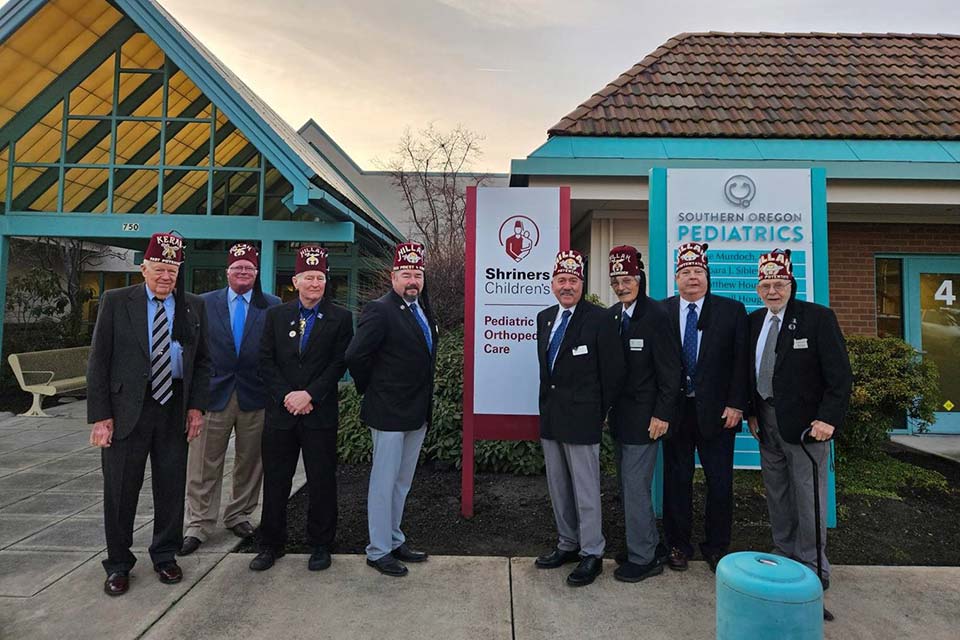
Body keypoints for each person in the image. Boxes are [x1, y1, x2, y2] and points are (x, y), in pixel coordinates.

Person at [87, 232, 211, 596]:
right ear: (143, 268)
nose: (165, 276)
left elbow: (202, 361)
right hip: (127, 409)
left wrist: (196, 407)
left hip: (173, 407)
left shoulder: (193, 306)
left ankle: (165, 555)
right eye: (159, 268)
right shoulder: (115, 301)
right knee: (121, 489)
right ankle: (119, 564)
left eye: (172, 269)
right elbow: (99, 361)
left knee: (171, 487)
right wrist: (101, 416)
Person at [746, 249, 852, 594]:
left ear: (791, 284)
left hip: (808, 426)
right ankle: (784, 552)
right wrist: (750, 412)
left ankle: (813, 564)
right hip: (766, 421)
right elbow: (748, 372)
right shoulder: (754, 322)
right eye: (766, 285)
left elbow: (840, 377)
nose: (772, 291)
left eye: (779, 284)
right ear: (758, 289)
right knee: (776, 491)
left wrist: (827, 420)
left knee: (808, 495)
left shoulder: (818, 318)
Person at [248, 246, 353, 572]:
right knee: (277, 480)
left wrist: (309, 395)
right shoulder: (276, 315)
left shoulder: (340, 317)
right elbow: (265, 361)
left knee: (322, 480)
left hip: (319, 412)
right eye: (308, 277)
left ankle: (321, 543)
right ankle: (271, 543)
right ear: (295, 280)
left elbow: (339, 363)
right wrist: (288, 397)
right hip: (281, 414)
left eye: (320, 277)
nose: (314, 284)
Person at [180, 243, 280, 556]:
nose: (243, 273)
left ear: (256, 272)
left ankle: (239, 514)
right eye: (237, 268)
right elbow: (191, 350)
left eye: (249, 269)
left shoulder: (272, 305)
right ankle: (198, 523)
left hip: (256, 394)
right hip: (212, 394)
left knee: (251, 462)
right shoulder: (204, 303)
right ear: (227, 272)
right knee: (202, 462)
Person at [346, 241, 437, 578]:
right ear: (393, 276)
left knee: (401, 482)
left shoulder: (420, 308)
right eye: (406, 274)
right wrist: (373, 388)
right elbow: (356, 355)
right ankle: (378, 549)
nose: (412, 280)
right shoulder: (380, 309)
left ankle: (395, 538)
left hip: (415, 411)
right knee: (384, 482)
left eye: (417, 274)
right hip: (388, 412)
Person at [533, 249, 625, 587]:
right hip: (552, 418)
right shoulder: (545, 318)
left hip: (584, 418)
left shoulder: (599, 319)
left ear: (581, 284)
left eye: (573, 280)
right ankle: (567, 544)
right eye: (561, 280)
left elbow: (613, 373)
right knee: (559, 488)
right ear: (553, 284)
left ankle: (592, 552)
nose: (567, 286)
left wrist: (599, 413)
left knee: (586, 490)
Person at [662, 242, 749, 572]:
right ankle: (678, 545)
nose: (692, 278)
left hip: (718, 414)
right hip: (676, 413)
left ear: (708, 276)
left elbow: (741, 363)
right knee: (676, 480)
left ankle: (716, 546)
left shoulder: (731, 311)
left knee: (720, 482)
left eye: (698, 272)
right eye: (685, 273)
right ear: (676, 279)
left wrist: (737, 404)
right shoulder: (663, 311)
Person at [606, 246, 681, 582]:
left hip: (647, 419)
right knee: (626, 485)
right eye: (616, 280)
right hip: (620, 418)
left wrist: (662, 413)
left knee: (636, 486)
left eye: (627, 279)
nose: (622, 286)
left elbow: (671, 370)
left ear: (640, 279)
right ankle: (644, 543)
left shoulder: (657, 315)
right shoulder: (613, 316)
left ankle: (645, 558)